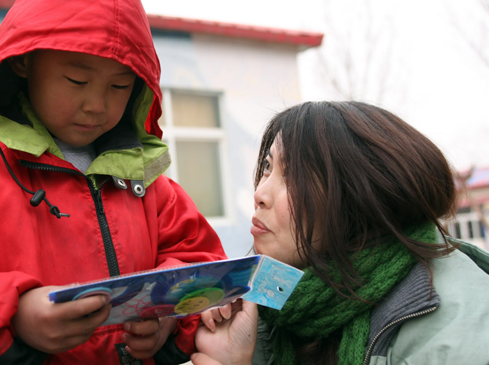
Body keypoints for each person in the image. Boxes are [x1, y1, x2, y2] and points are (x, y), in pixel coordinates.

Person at [0, 0, 226, 364]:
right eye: (76, 80)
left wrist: (169, 317)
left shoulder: (147, 182)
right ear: (23, 62)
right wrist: (13, 315)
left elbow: (203, 264)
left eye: (119, 86)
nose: (96, 105)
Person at [192, 101, 489, 365]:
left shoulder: (454, 333)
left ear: (358, 200)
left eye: (295, 178)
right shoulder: (269, 306)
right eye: (268, 167)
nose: (259, 193)